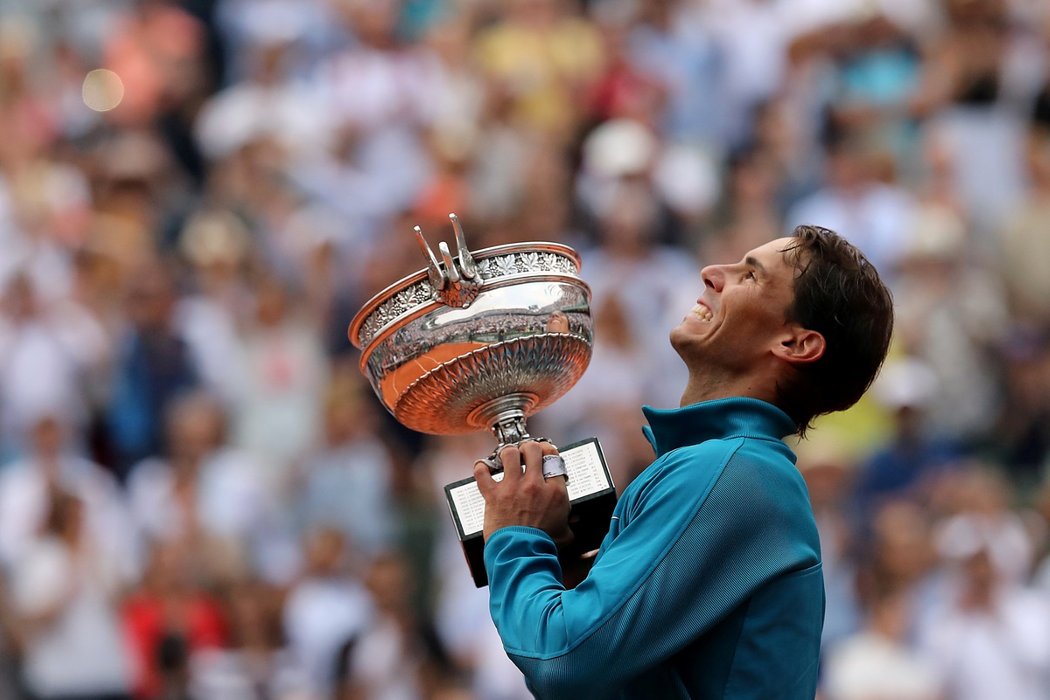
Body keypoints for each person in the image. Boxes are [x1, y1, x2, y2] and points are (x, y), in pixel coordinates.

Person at [473, 224, 895, 698]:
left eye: (750, 276)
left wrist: (517, 538)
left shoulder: (730, 472)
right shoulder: (732, 469)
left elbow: (564, 658)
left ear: (795, 344)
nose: (712, 273)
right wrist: (569, 563)